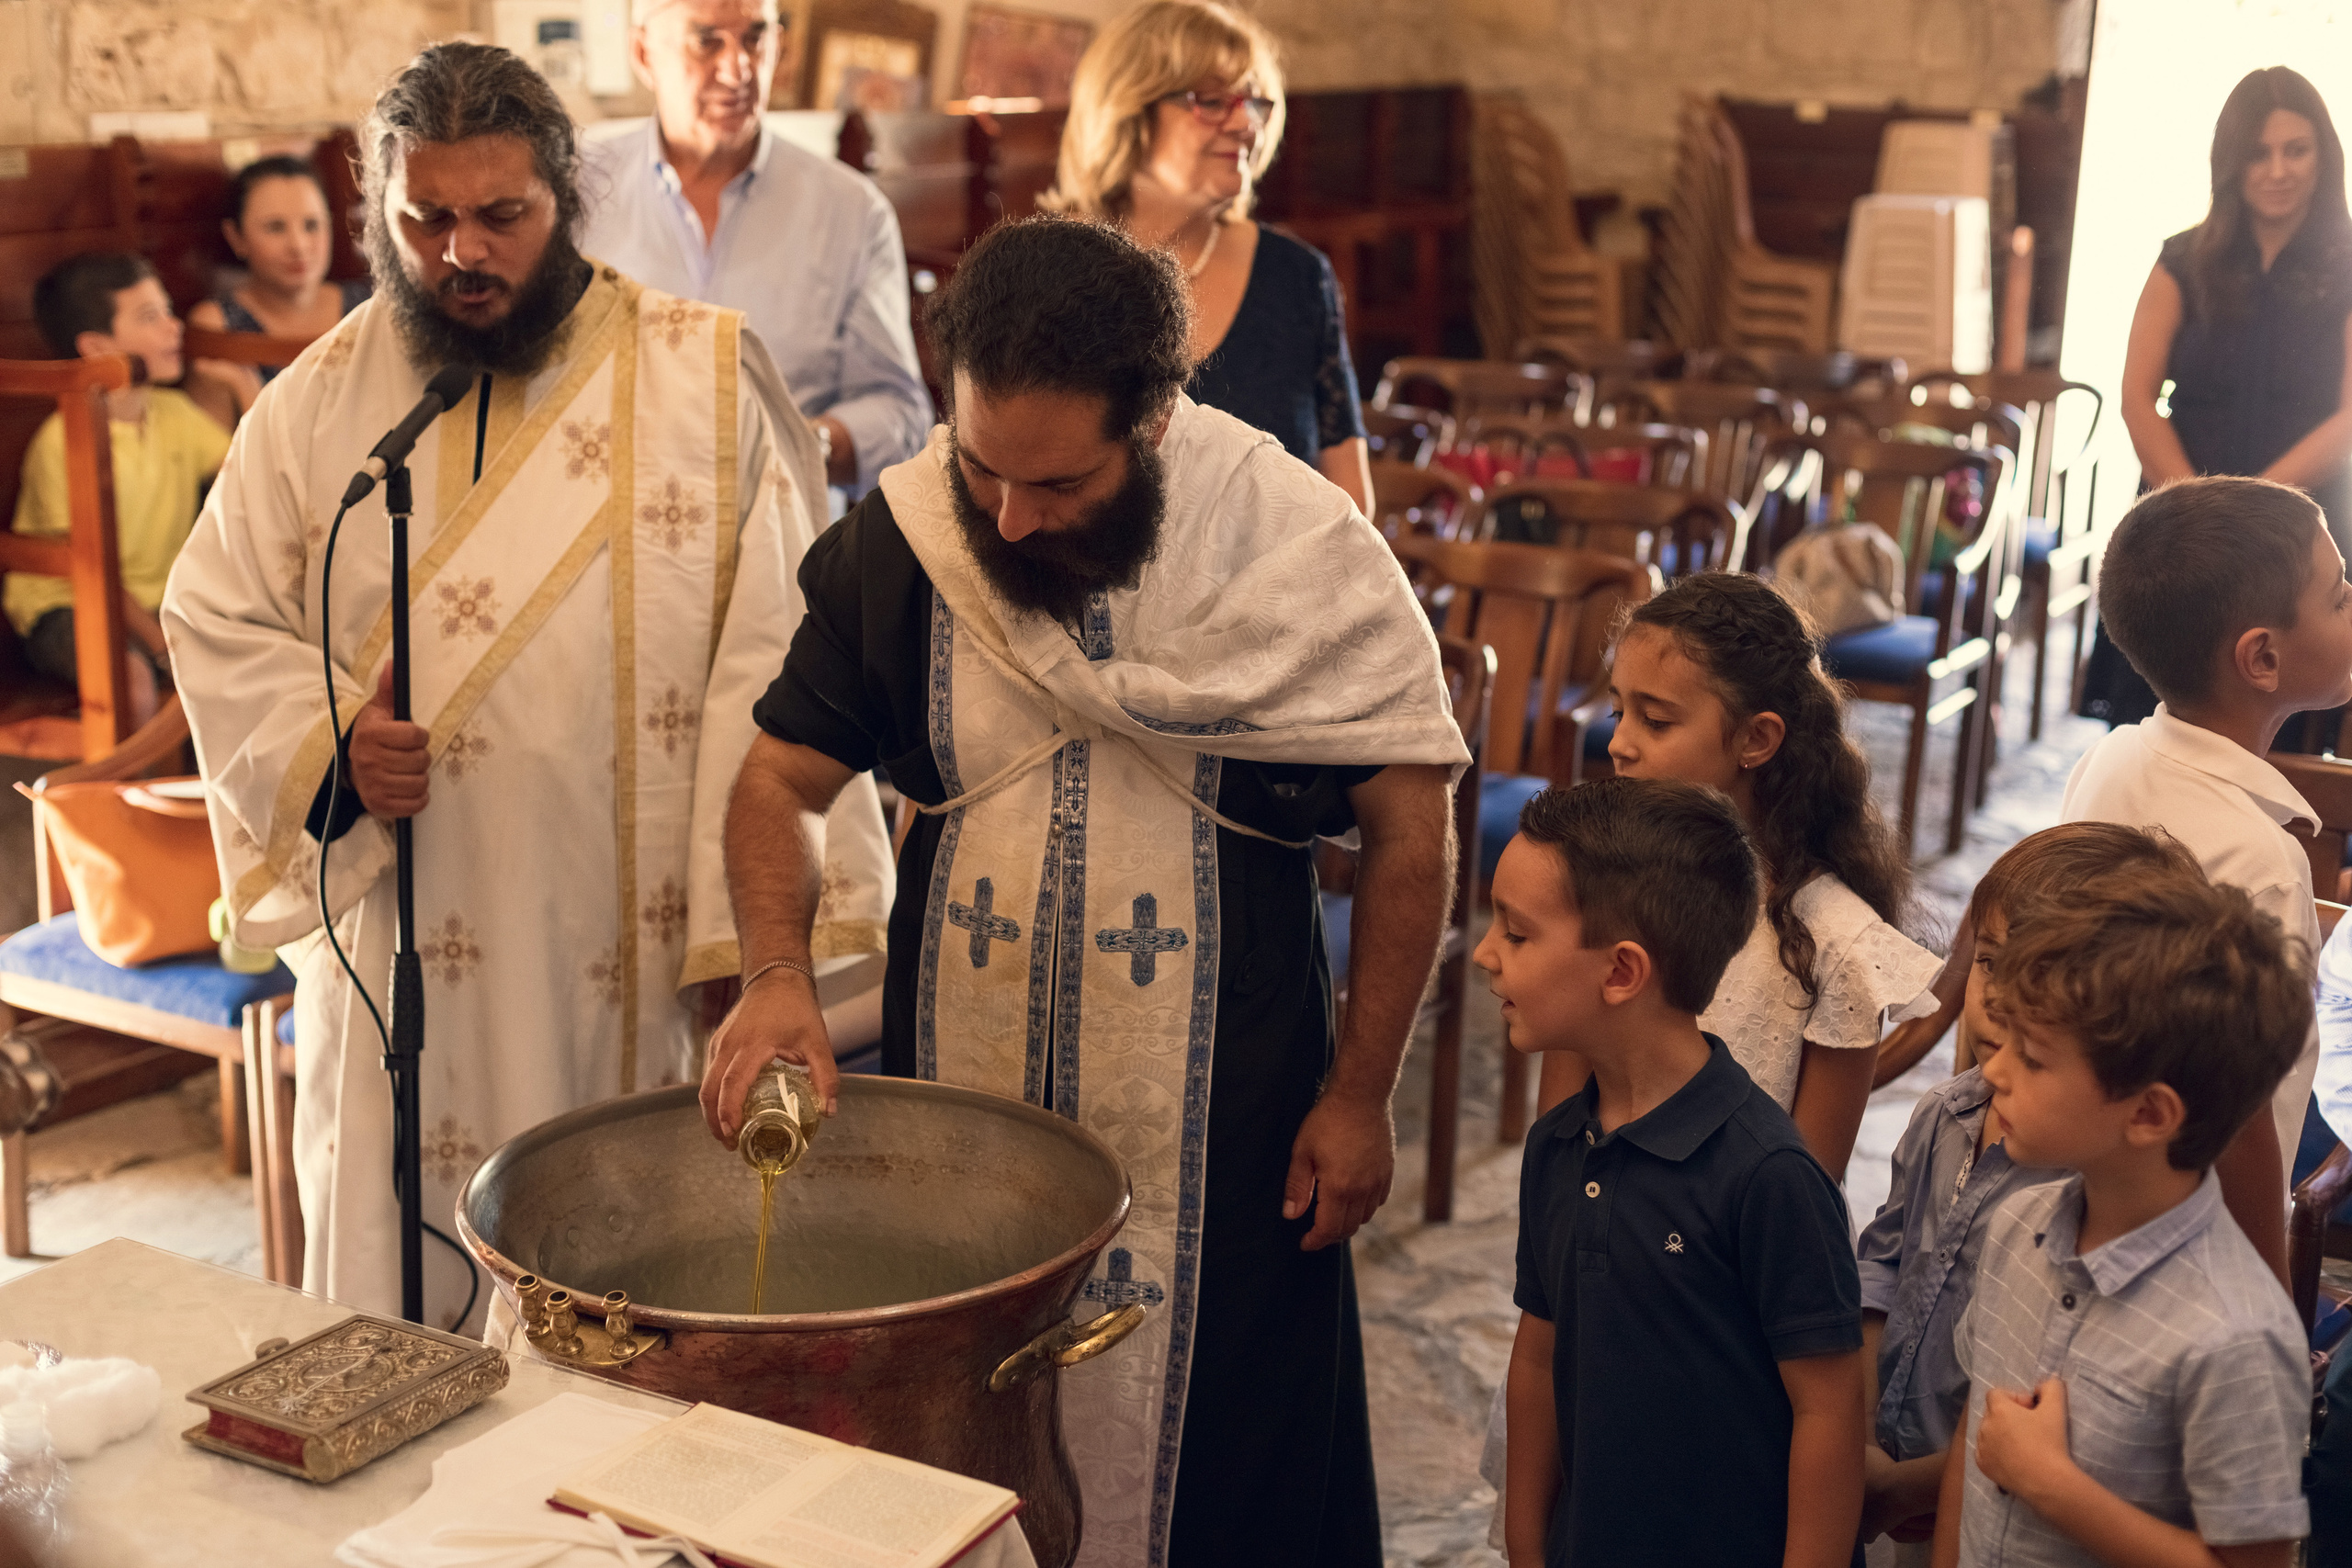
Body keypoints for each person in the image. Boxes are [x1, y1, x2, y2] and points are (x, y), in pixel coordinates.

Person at [699, 215, 1464, 1566]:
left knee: (1231, 1467)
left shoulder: (1292, 547)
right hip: (967, 1128)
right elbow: (776, 784)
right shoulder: (919, 539)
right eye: (983, 464)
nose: (1006, 516)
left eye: (1058, 485)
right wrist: (774, 974)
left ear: (1158, 419)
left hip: (1234, 1131)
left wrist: (1360, 1095)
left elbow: (1412, 825)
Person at [162, 41, 893, 1329]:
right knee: (399, 1327)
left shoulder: (703, 381)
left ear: (567, 194)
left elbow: (779, 665)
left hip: (629, 951)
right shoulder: (320, 402)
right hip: (401, 948)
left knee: (623, 1330)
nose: (464, 253)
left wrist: (753, 943)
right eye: (425, 218)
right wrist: (332, 747)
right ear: (375, 210)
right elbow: (214, 607)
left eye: (503, 215)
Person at [1486, 776, 1863, 1568]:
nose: (1486, 953)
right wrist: (1526, 1544)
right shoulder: (1558, 1146)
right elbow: (1537, 1355)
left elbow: (1828, 1409)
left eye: (1516, 935)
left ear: (1622, 972)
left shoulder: (1769, 1176)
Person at [1930, 863, 2311, 1568]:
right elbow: (1975, 1442)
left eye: (2035, 1058)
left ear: (2148, 1113)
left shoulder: (2236, 1337)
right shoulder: (2018, 1225)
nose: (1994, 1071)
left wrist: (2054, 1486)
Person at [1856, 824, 2186, 1561]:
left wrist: (1910, 1486)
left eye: (2042, 978)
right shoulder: (1945, 1115)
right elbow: (1881, 1267)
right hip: (1896, 1464)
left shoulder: (2086, 1182)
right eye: (1991, 962)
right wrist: (1863, 1436)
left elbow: (2043, 1397)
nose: (2002, 996)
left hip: (2010, 1501)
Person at [1551, 571, 1939, 1181]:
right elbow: (1560, 1133)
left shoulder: (1833, 944)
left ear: (1756, 739)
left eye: (1654, 721)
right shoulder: (1605, 887)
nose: (1619, 743)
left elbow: (1804, 1197)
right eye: (1619, 709)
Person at [2059, 475, 2352, 1283]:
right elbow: (2245, 1126)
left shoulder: (2111, 755)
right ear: (2262, 656)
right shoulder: (2264, 865)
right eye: (2338, 597)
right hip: (2200, 1243)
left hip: (2095, 1176)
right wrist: (2268, 1293)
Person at [2082, 66, 2352, 730]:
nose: (2278, 169)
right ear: (2231, 161)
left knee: (2287, 710)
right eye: (2259, 152)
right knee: (2163, 709)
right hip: (2181, 514)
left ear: (2325, 155)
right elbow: (2137, 397)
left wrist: (2255, 511)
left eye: (2297, 149)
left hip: (2303, 519)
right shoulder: (2182, 258)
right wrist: (2196, 511)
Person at [579, 0, 930, 510]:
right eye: (707, 41)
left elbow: (902, 415)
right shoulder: (576, 190)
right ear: (642, 53)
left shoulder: (853, 214)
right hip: (608, 523)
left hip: (782, 538)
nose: (738, 68)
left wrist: (794, 443)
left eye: (754, 39)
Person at [1042, 0, 1372, 513]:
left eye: (1256, 101)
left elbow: (1350, 502)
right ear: (1129, 110)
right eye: (1213, 101)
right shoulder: (1047, 278)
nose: (1247, 125)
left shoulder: (1297, 276)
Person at [9, 253, 230, 727]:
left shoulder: (174, 413)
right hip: (67, 604)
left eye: (168, 310)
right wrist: (158, 642)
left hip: (158, 600)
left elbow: (252, 466)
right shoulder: (63, 438)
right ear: (95, 347)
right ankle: (123, 799)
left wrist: (239, 380)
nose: (174, 328)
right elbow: (93, 568)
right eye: (150, 317)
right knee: (131, 679)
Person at [187, 154, 372, 408]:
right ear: (236, 237)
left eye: (311, 225)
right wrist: (244, 387)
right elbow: (217, 447)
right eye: (275, 227)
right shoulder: (219, 324)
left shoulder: (370, 308)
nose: (298, 246)